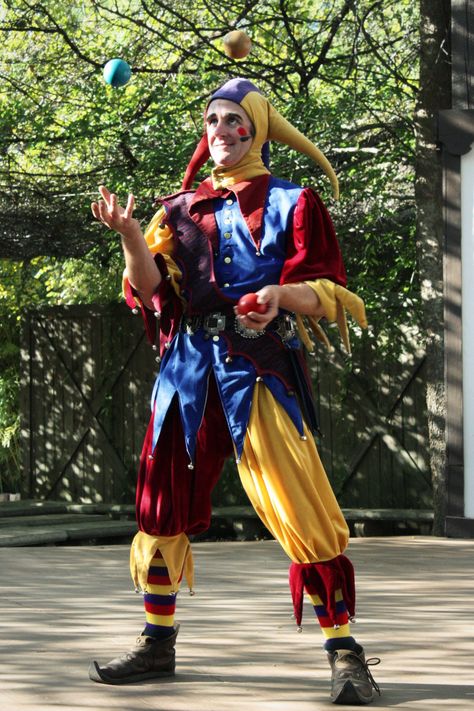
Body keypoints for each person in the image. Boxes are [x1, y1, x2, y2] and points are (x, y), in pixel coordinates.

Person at [89, 77, 380, 705]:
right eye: (212, 121)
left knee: (301, 507)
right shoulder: (178, 211)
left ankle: (346, 653)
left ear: (257, 130)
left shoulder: (292, 203)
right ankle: (157, 642)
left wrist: (279, 297)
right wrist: (131, 236)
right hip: (187, 372)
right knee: (160, 503)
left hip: (259, 368)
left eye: (233, 121)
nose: (219, 132)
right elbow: (150, 292)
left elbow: (324, 291)